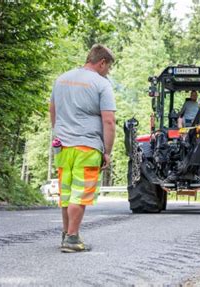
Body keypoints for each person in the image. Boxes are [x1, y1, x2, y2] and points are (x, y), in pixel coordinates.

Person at [50, 44, 116, 253]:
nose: (108, 72)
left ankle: (66, 232)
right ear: (102, 62)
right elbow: (109, 122)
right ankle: (71, 239)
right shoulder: (101, 84)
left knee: (66, 193)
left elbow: (52, 110)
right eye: (109, 67)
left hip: (62, 147)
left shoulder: (61, 79)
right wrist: (107, 151)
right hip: (87, 147)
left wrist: (59, 133)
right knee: (79, 194)